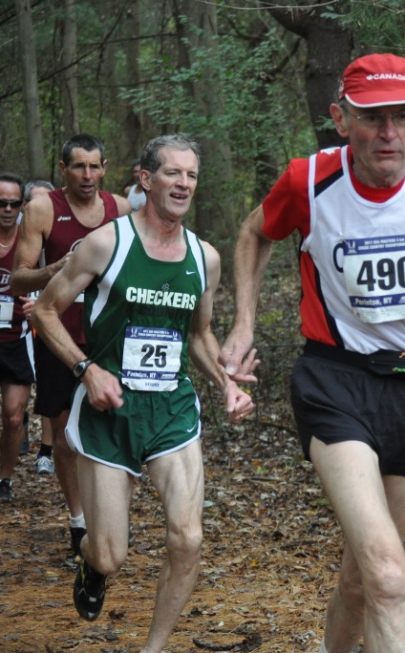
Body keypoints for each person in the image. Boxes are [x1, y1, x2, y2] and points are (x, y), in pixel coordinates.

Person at [218, 53, 405, 653]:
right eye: (372, 118)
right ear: (340, 118)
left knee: (362, 579)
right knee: (390, 578)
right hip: (337, 382)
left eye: (402, 116)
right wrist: (243, 323)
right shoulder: (308, 180)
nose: (388, 134)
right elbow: (254, 232)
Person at [33, 134, 255, 648]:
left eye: (192, 175)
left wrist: (226, 385)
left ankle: (154, 647)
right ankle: (92, 568)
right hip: (108, 411)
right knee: (110, 554)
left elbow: (198, 335)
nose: (183, 184)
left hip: (171, 409)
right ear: (145, 178)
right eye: (172, 173)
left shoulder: (205, 258)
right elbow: (45, 311)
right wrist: (87, 369)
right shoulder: (105, 244)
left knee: (189, 537)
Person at [11, 134, 132, 559]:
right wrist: (60, 268)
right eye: (78, 166)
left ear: (105, 167)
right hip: (59, 335)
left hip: (111, 337)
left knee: (114, 430)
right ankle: (78, 523)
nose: (87, 175)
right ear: (63, 169)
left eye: (94, 166)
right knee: (64, 439)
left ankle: (109, 518)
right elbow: (17, 278)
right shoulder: (43, 208)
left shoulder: (122, 209)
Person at [0, 173, 37, 502]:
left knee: (13, 416)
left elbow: (54, 274)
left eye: (14, 203)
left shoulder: (30, 238)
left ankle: (4, 479)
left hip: (16, 338)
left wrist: (39, 301)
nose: (8, 209)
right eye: (2, 203)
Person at [21, 179, 56, 474]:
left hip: (53, 317)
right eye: (36, 203)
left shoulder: (67, 231)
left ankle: (47, 448)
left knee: (48, 381)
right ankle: (18, 426)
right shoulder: (23, 232)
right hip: (17, 320)